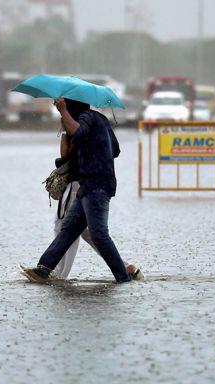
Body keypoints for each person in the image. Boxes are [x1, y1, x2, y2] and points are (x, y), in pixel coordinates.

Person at [21, 97, 137, 283]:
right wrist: (83, 141)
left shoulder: (87, 118)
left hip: (97, 184)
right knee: (68, 229)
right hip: (89, 184)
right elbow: (114, 149)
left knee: (98, 234)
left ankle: (124, 276)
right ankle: (43, 269)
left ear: (72, 106)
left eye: (67, 106)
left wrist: (63, 111)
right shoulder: (99, 120)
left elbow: (78, 131)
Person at [51, 130, 142, 280]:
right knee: (86, 231)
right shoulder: (92, 124)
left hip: (78, 182)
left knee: (65, 226)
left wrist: (64, 131)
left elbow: (65, 154)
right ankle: (125, 267)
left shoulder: (76, 125)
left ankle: (59, 273)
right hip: (87, 182)